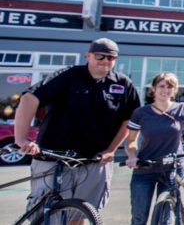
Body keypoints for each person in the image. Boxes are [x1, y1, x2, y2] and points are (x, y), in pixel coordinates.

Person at [14, 38, 141, 213]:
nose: (105, 61)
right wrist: (21, 139)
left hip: (94, 161)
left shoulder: (122, 83)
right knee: (48, 215)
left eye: (110, 58)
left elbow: (130, 119)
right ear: (88, 56)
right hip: (54, 159)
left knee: (82, 213)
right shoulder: (68, 76)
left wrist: (111, 149)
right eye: (100, 56)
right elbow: (30, 98)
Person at [123, 73, 184, 225]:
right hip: (145, 168)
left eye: (170, 87)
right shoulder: (141, 113)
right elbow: (130, 141)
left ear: (175, 90)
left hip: (172, 168)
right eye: (162, 86)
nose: (165, 90)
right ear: (153, 89)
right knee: (139, 217)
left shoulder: (182, 109)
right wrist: (132, 155)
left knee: (166, 217)